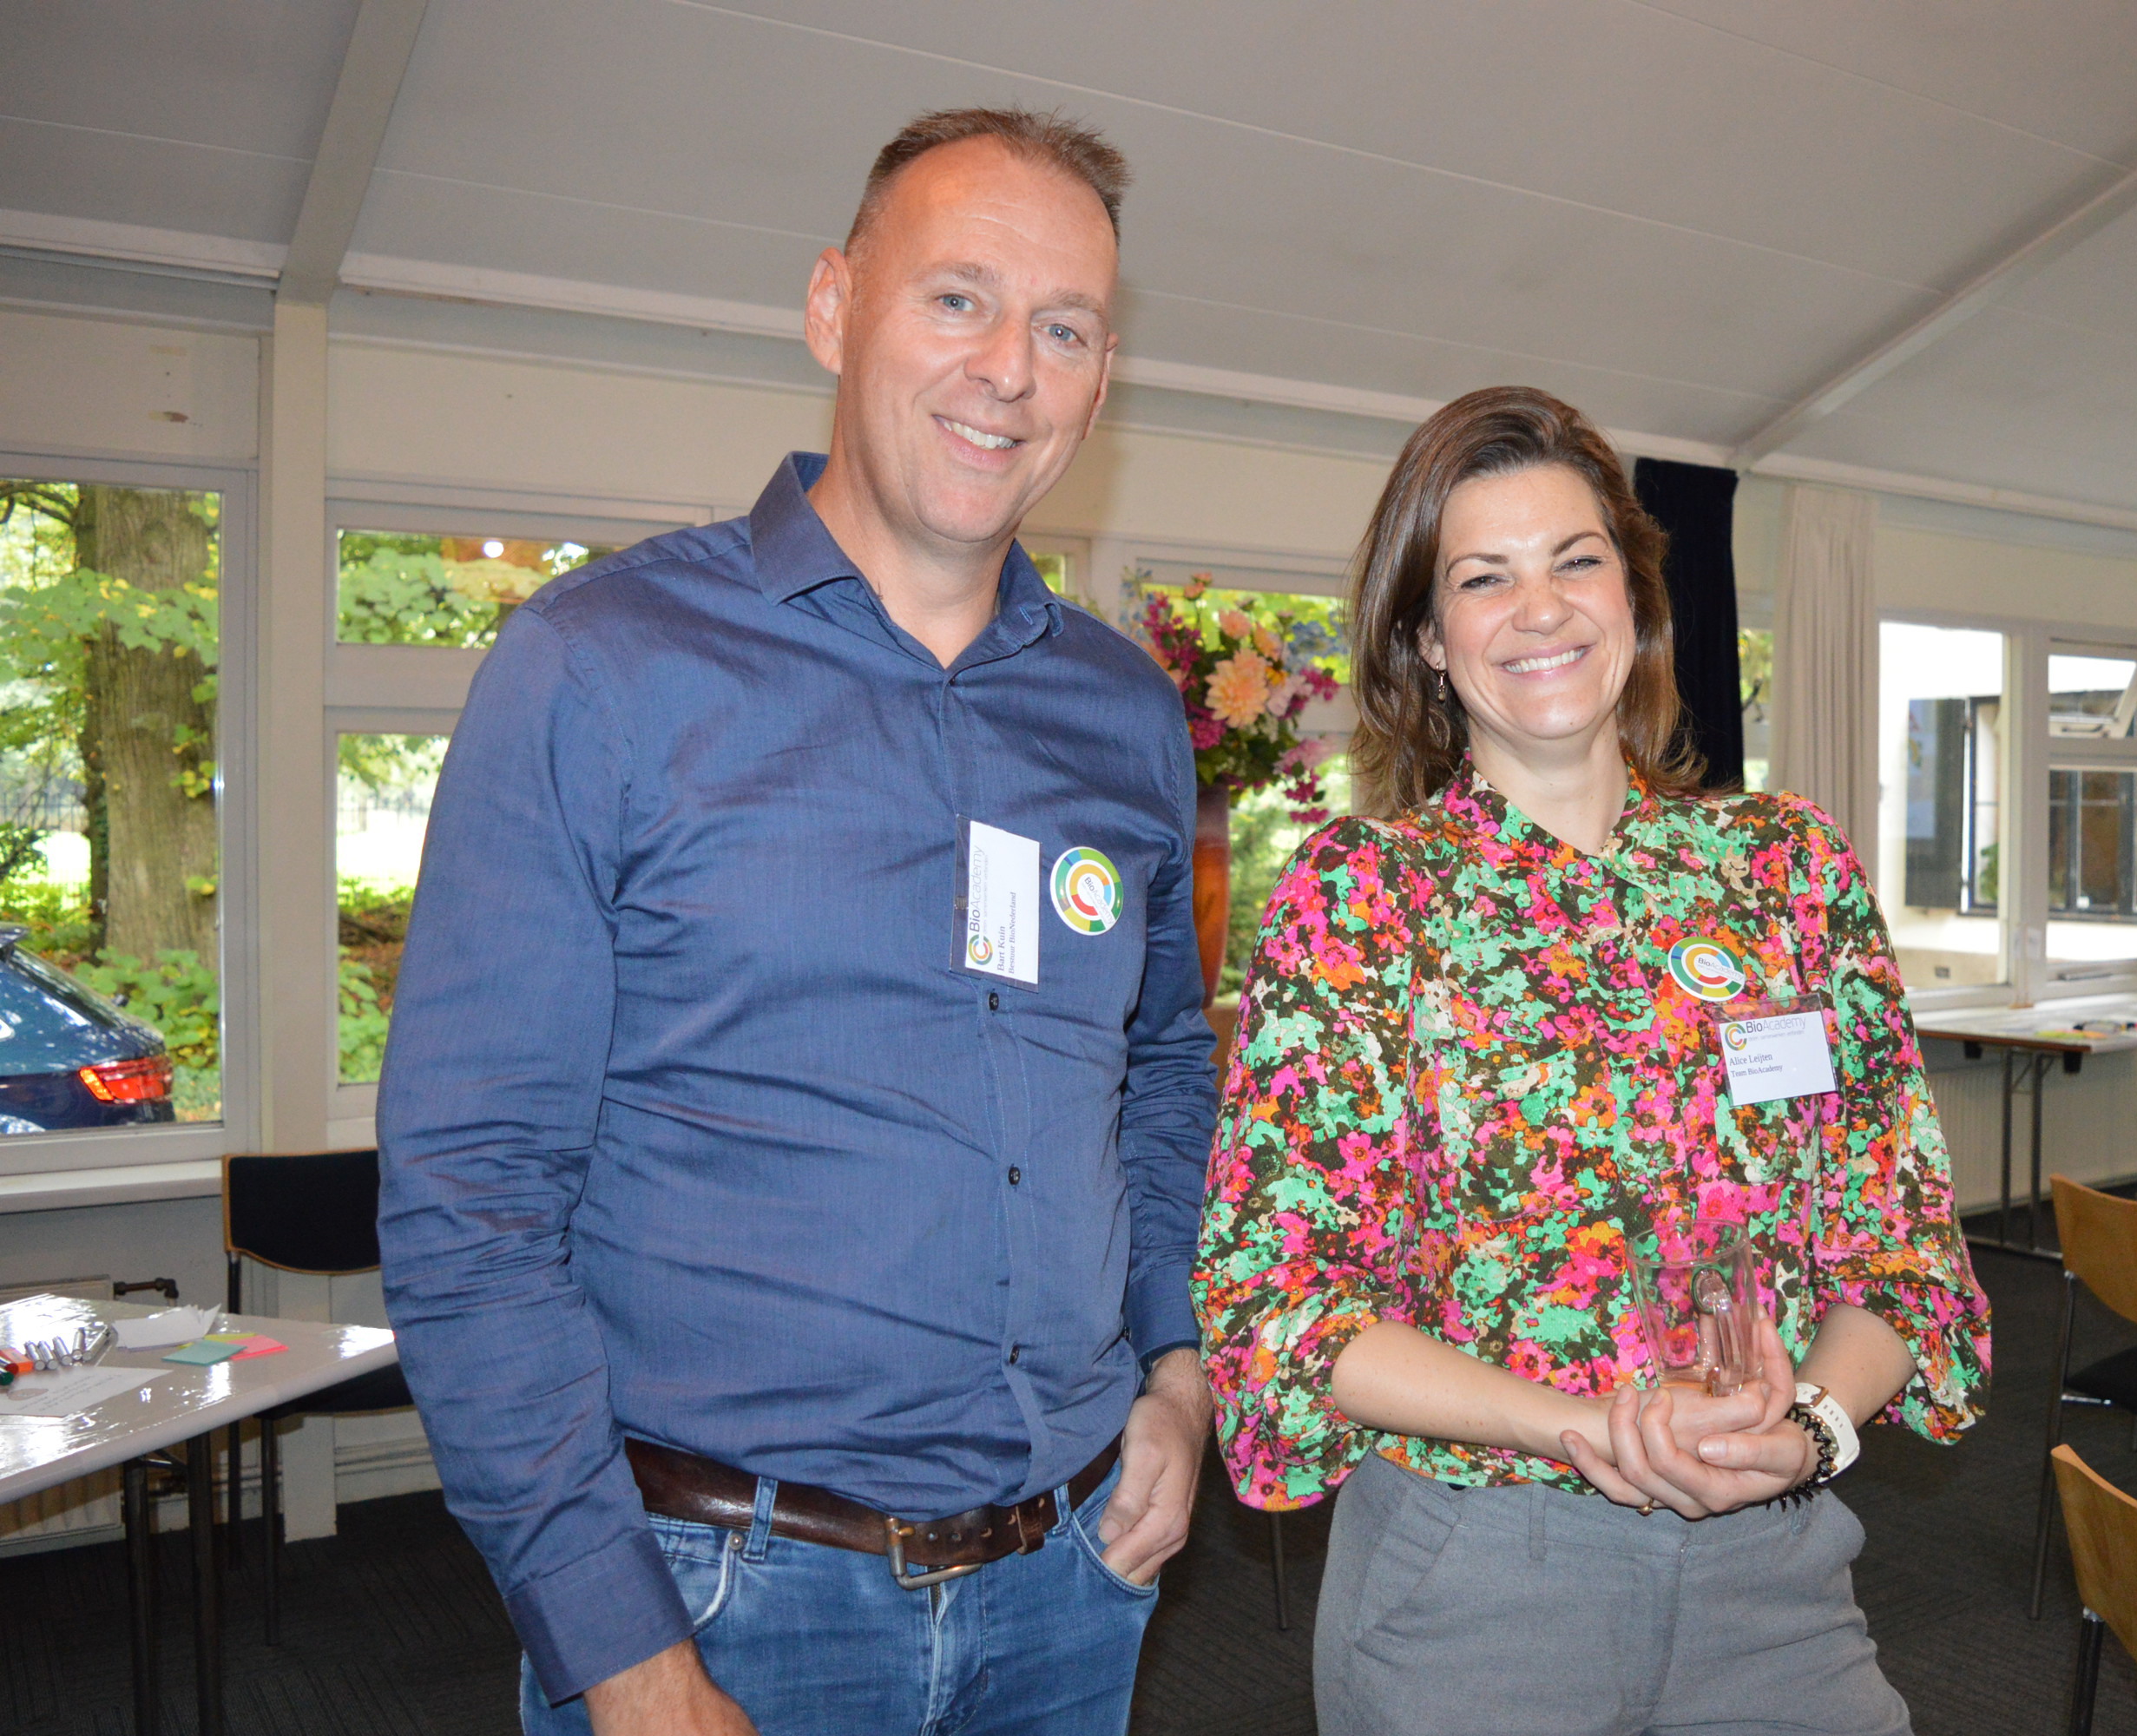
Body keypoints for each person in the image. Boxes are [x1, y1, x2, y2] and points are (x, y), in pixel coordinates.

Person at [378, 108, 1219, 1736]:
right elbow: (472, 1190)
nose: (1009, 371)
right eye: (958, 300)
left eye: (1064, 330)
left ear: (1103, 379)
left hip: (1072, 1586)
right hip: (721, 1602)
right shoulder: (603, 666)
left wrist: (1178, 1372)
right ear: (834, 307)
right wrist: (617, 1650)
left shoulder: (1123, 714)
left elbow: (1165, 1066)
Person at [1193, 386, 1992, 1734]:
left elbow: (1900, 1247)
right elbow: (1278, 1302)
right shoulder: (1365, 898)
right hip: (1479, 1583)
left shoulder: (1787, 874)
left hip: (1777, 1570)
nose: (1541, 609)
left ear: (1635, 594)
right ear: (1427, 639)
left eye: (1575, 560)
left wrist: (1810, 1423)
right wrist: (1570, 1420)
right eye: (1483, 578)